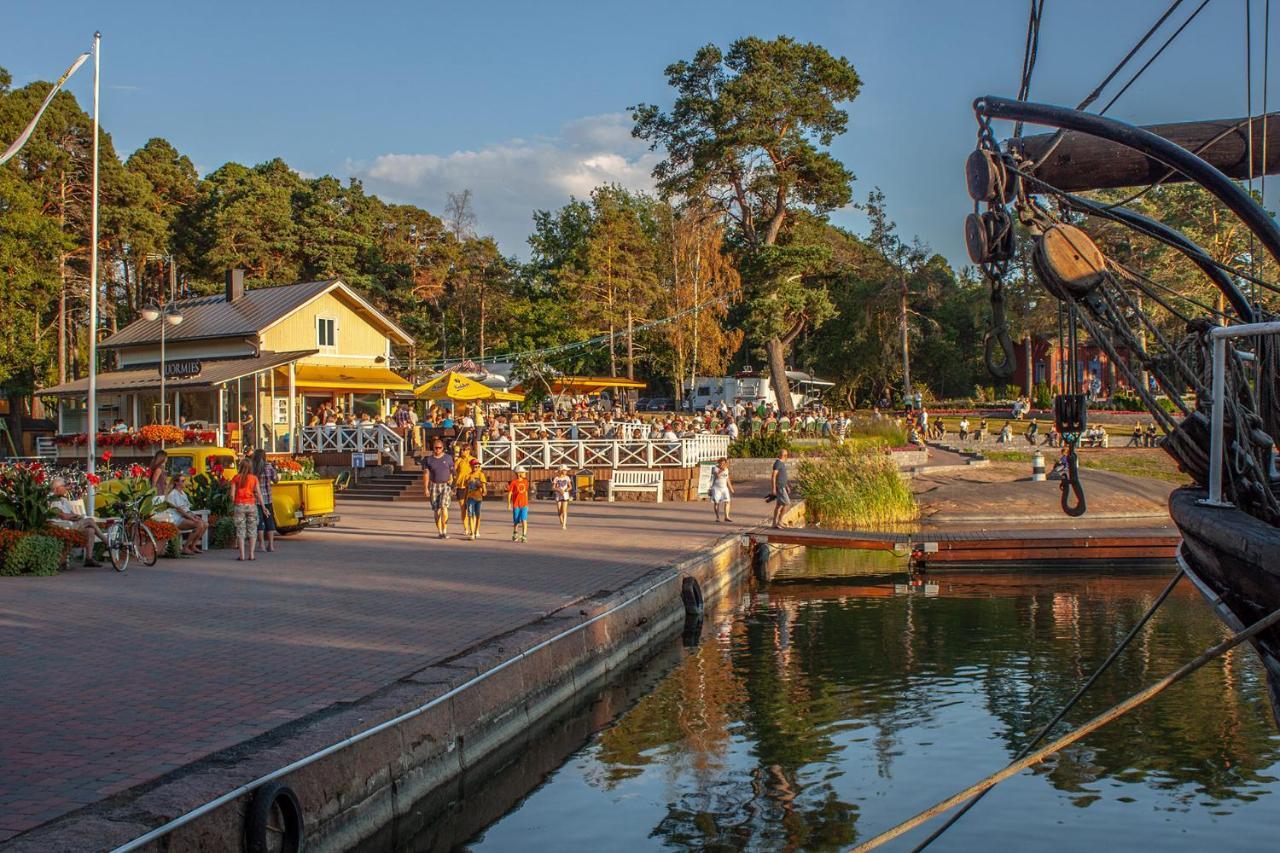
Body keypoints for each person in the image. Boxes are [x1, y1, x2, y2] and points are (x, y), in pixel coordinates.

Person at [48, 477, 108, 566]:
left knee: (90, 530)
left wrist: (76, 516)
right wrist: (73, 516)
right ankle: (106, 541)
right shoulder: (53, 500)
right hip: (63, 526)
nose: (66, 488)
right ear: (57, 488)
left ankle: (89, 559)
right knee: (90, 520)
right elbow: (63, 516)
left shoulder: (64, 500)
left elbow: (71, 513)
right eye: (64, 486)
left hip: (71, 524)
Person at [165, 472, 207, 555]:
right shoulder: (173, 494)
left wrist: (194, 516)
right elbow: (180, 510)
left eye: (185, 480)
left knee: (205, 524)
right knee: (199, 524)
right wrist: (192, 519)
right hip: (175, 519)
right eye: (183, 481)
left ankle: (193, 546)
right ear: (176, 482)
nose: (185, 482)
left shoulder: (183, 494)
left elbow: (187, 509)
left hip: (183, 517)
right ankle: (185, 548)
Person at [231, 457, 264, 561]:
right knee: (252, 529)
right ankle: (251, 555)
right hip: (251, 505)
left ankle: (242, 555)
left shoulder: (236, 478)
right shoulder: (254, 478)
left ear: (240, 466)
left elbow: (232, 495)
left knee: (240, 530)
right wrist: (263, 507)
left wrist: (233, 504)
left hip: (239, 505)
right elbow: (259, 494)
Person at [425, 440, 456, 539]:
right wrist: (426, 488)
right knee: (436, 510)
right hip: (434, 485)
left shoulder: (448, 458)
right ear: (433, 448)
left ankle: (445, 530)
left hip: (445, 485)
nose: (438, 450)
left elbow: (452, 470)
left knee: (444, 507)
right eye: (436, 448)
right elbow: (426, 474)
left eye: (440, 448)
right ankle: (440, 531)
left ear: (443, 448)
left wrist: (453, 482)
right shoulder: (429, 459)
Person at [252, 449, 278, 553]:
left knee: (259, 522)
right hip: (268, 499)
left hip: (255, 499)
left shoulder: (253, 468)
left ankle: (261, 545)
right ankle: (271, 545)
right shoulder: (269, 467)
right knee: (269, 521)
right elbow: (275, 480)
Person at [454, 444, 478, 536]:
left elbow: (478, 470)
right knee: (463, 508)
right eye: (461, 450)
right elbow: (453, 470)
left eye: (463, 449)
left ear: (468, 450)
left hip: (471, 486)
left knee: (471, 508)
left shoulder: (473, 459)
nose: (462, 451)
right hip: (461, 486)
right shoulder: (459, 460)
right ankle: (466, 528)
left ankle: (474, 528)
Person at [462, 465, 487, 540]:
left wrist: (484, 491)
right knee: (470, 515)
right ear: (471, 467)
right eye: (474, 466)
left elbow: (484, 486)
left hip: (479, 498)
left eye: (477, 466)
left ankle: (477, 530)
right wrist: (465, 498)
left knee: (478, 515)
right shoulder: (468, 475)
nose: (475, 468)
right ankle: (472, 533)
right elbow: (466, 488)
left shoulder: (481, 474)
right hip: (470, 498)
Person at [508, 465, 530, 542]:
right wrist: (509, 504)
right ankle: (515, 532)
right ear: (519, 473)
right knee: (516, 521)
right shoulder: (514, 482)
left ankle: (524, 535)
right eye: (524, 472)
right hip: (516, 504)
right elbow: (510, 493)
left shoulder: (526, 481)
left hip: (524, 504)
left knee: (524, 520)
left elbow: (526, 492)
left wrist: (527, 503)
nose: (525, 474)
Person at [770, 448, 791, 529]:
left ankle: (774, 523)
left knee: (778, 505)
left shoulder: (781, 463)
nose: (787, 457)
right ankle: (779, 522)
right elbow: (773, 476)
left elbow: (782, 476)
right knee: (787, 504)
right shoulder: (778, 463)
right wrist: (773, 489)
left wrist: (787, 486)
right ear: (784, 455)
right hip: (780, 487)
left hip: (783, 487)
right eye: (786, 455)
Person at [709, 457, 734, 523]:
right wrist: (721, 470)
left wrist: (731, 488)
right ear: (718, 462)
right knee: (717, 502)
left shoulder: (726, 469)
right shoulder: (715, 468)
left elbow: (727, 479)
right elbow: (717, 476)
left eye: (723, 463)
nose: (722, 465)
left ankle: (727, 517)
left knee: (728, 501)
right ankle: (717, 517)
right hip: (716, 488)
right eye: (721, 463)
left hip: (724, 488)